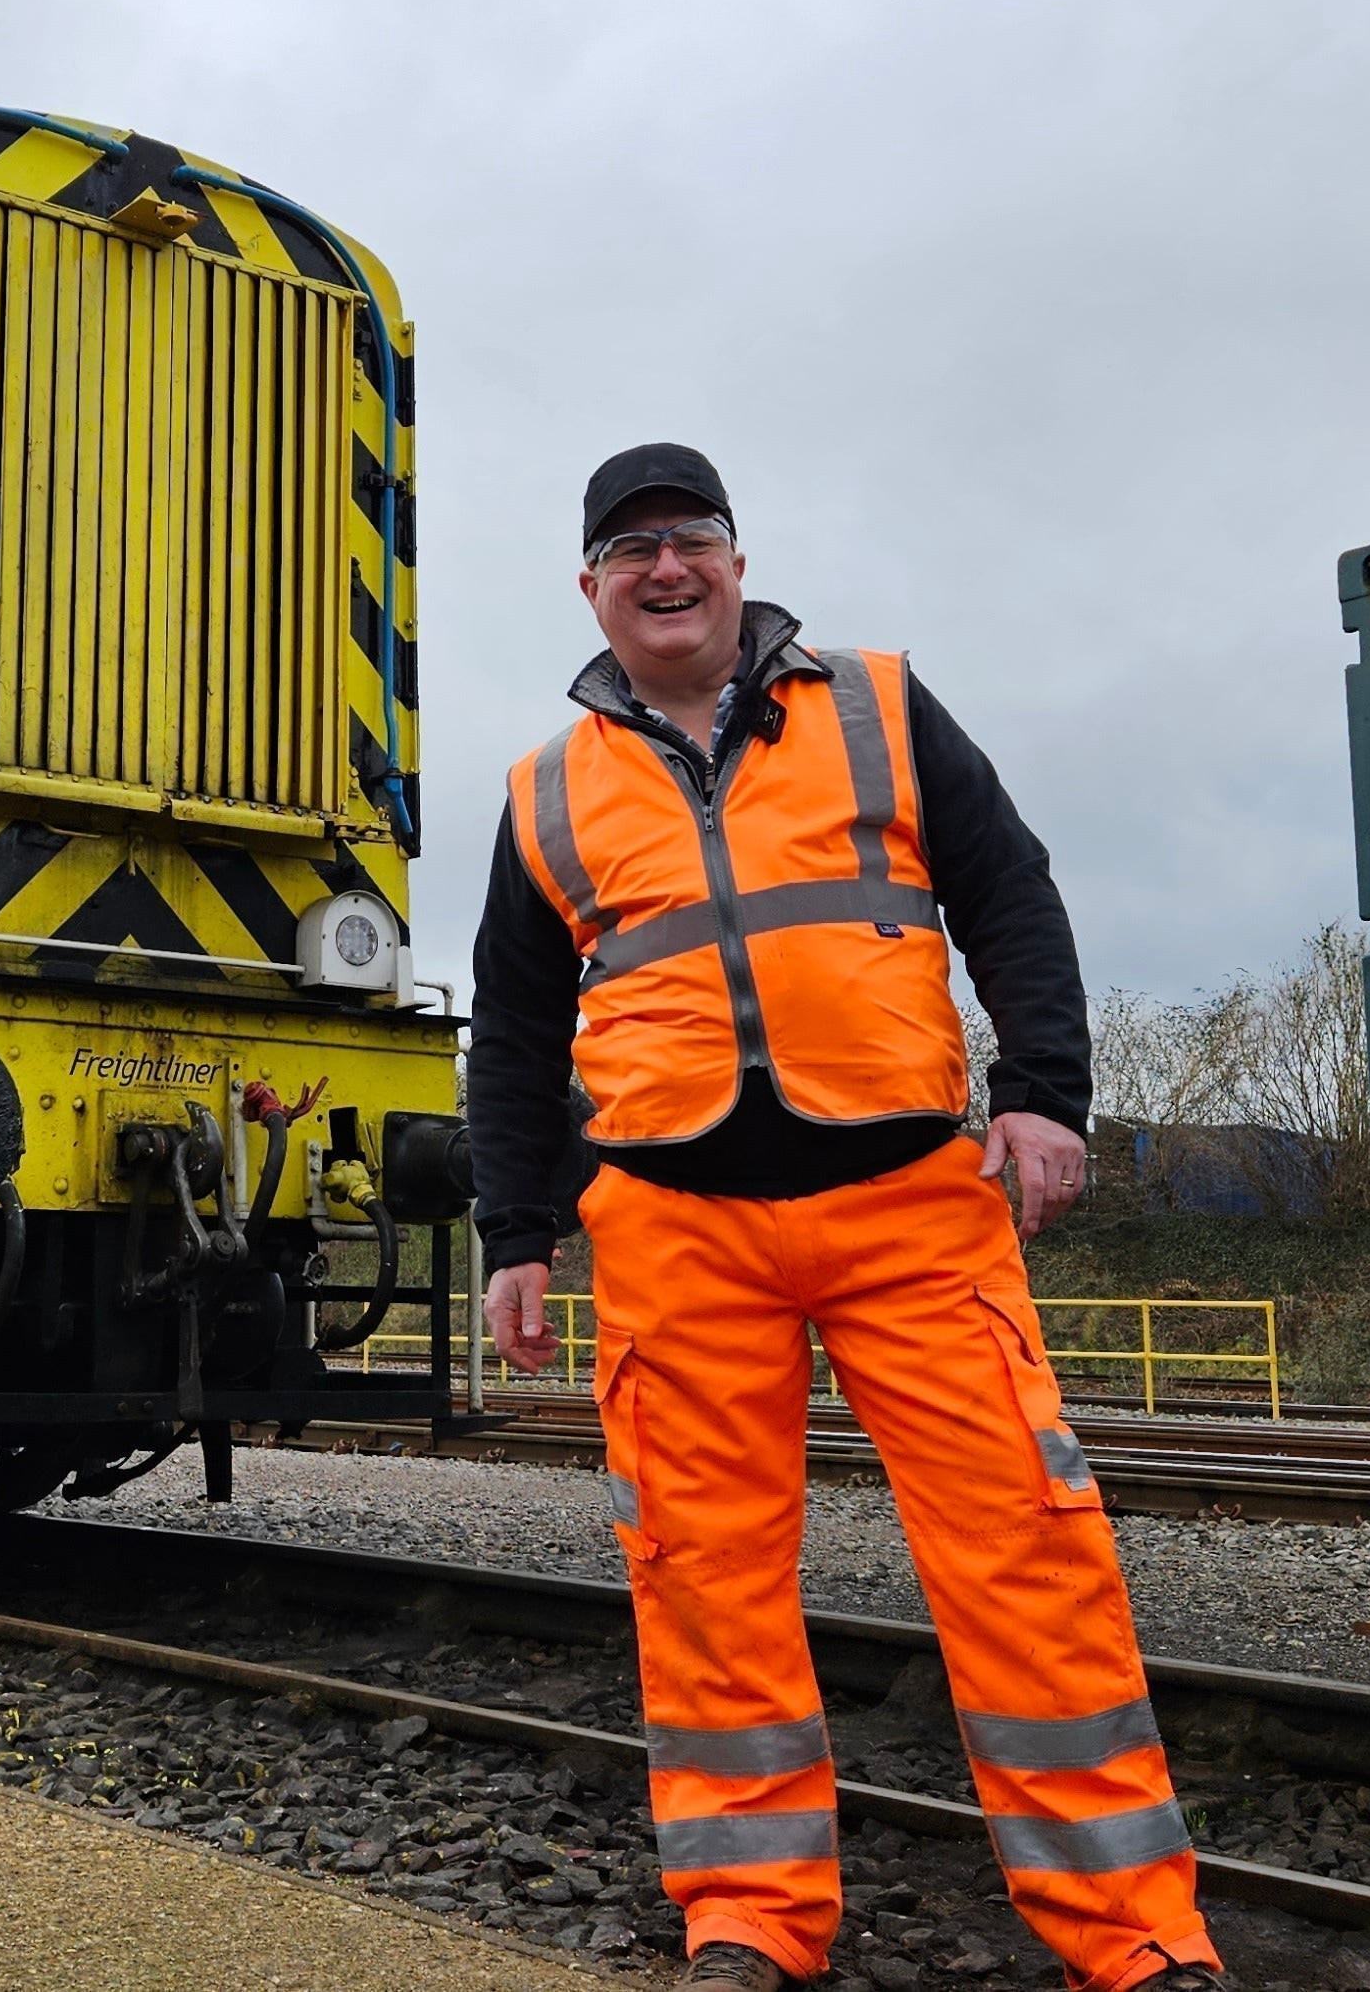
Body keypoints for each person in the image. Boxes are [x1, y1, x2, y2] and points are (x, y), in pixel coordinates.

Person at [467, 445, 1224, 1992]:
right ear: (589, 590)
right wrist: (514, 1237)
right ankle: (748, 1919)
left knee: (1028, 1549)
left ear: (738, 561)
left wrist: (1046, 1092)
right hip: (674, 1229)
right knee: (700, 1575)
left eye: (687, 541)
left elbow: (1009, 890)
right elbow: (517, 1023)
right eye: (629, 553)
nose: (662, 571)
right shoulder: (548, 792)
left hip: (909, 1209)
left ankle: (1137, 1935)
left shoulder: (876, 705)